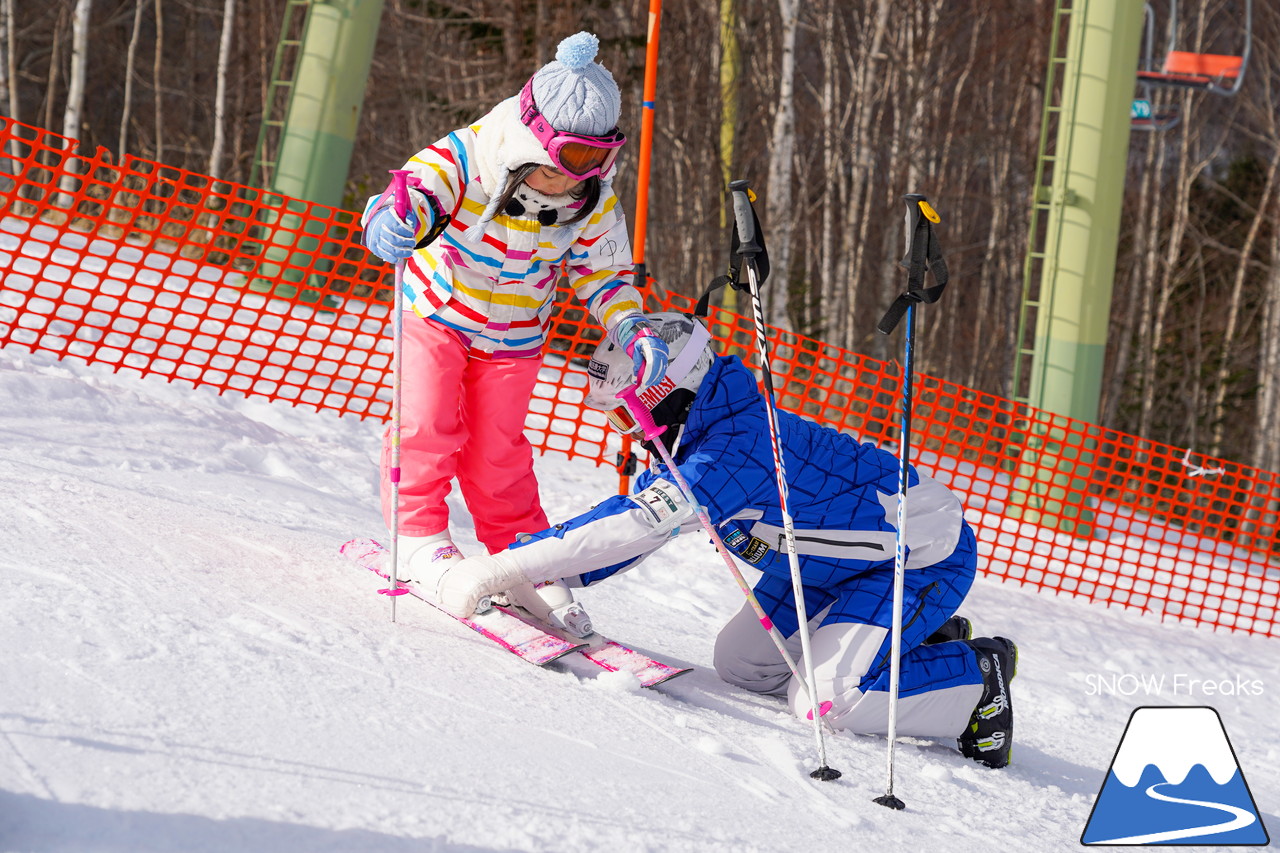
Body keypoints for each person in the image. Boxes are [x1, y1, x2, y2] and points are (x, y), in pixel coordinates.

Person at [417, 312, 1019, 769]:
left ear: (672, 393)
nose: (625, 432)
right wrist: (545, 577)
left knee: (828, 706)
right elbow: (632, 531)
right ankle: (905, 646)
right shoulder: (694, 439)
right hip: (825, 566)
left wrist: (500, 567)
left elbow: (637, 523)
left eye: (628, 415)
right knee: (744, 665)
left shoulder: (737, 449)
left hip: (915, 559)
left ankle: (977, 677)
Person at [359, 32, 669, 636]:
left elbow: (603, 272)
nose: (572, 181)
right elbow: (412, 193)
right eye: (563, 164)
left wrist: (630, 326)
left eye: (591, 165)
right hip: (437, 313)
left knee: (499, 451)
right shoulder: (468, 155)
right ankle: (417, 537)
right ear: (529, 138)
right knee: (426, 426)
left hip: (516, 334)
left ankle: (520, 553)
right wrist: (392, 220)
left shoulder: (592, 198)